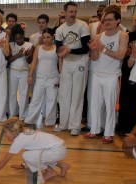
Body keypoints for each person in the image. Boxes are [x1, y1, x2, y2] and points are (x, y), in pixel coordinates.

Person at [84, 10, 128, 143]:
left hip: (112, 75)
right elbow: (95, 59)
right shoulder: (98, 37)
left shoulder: (123, 35)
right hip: (98, 73)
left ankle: (108, 134)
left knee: (110, 105)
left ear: (117, 21)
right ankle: (94, 130)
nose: (107, 22)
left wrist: (103, 49)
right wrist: (94, 50)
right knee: (95, 104)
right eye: (105, 20)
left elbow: (121, 55)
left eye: (110, 19)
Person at [0, 117, 70, 184]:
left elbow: (4, 160)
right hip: (60, 147)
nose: (5, 135)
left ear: (14, 131)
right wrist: (22, 165)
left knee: (27, 156)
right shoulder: (25, 131)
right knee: (35, 154)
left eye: (6, 132)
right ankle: (63, 165)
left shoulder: (19, 140)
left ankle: (50, 172)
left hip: (56, 151)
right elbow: (32, 149)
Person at [54, 1, 90, 136]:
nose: (73, 14)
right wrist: (61, 53)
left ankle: (75, 125)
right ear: (64, 12)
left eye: (75, 11)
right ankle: (63, 124)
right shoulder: (59, 30)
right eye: (71, 12)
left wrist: (69, 51)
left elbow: (86, 48)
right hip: (67, 65)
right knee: (63, 95)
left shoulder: (83, 26)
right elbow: (58, 49)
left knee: (77, 95)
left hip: (81, 63)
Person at [24, 28, 59, 127]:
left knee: (52, 100)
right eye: (44, 37)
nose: (46, 39)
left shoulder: (57, 48)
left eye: (48, 37)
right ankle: (30, 120)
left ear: (53, 37)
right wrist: (30, 75)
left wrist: (61, 76)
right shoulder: (38, 48)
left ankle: (50, 121)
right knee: (35, 99)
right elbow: (34, 62)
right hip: (40, 77)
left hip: (53, 78)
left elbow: (59, 64)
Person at [8, 24, 34, 121]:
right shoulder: (11, 45)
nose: (19, 40)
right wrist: (19, 54)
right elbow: (9, 60)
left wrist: (27, 56)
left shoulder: (30, 45)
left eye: (21, 38)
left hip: (24, 72)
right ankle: (12, 113)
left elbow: (30, 61)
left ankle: (23, 115)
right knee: (12, 93)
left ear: (24, 36)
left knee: (24, 94)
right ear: (14, 38)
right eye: (17, 39)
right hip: (13, 72)